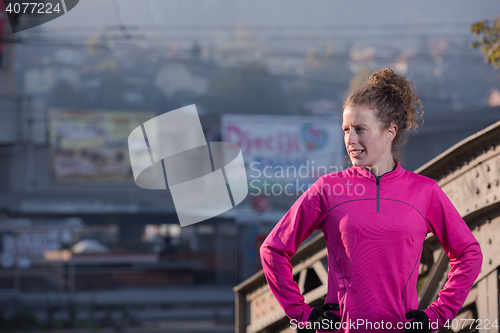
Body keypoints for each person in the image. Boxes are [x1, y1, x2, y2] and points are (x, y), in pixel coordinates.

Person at [260, 67, 483, 333]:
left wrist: (437, 315)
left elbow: (469, 253)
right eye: (346, 130)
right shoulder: (327, 189)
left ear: (390, 132)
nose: (350, 140)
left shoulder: (425, 191)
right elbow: (273, 250)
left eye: (360, 130)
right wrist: (302, 315)